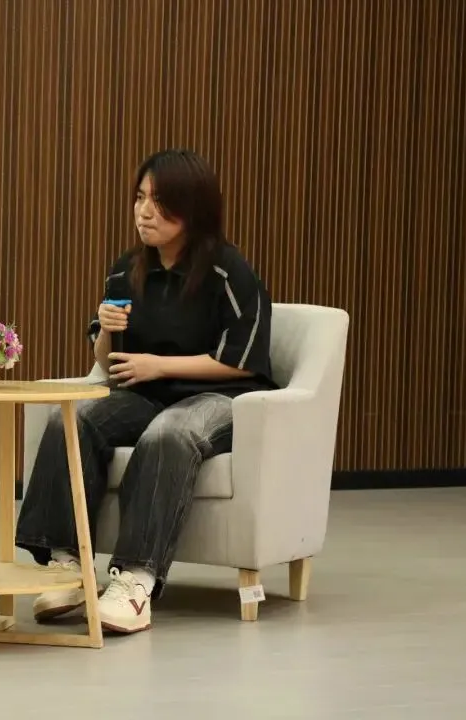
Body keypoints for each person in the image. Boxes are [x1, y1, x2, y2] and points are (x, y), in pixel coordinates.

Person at [15, 149, 277, 634]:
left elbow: (242, 361)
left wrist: (159, 365)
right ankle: (67, 566)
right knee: (73, 419)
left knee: (168, 432)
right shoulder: (126, 269)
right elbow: (107, 363)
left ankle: (136, 580)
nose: (144, 212)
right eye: (139, 198)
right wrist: (106, 331)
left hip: (222, 396)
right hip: (144, 393)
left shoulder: (229, 271)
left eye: (159, 202)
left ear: (192, 208)